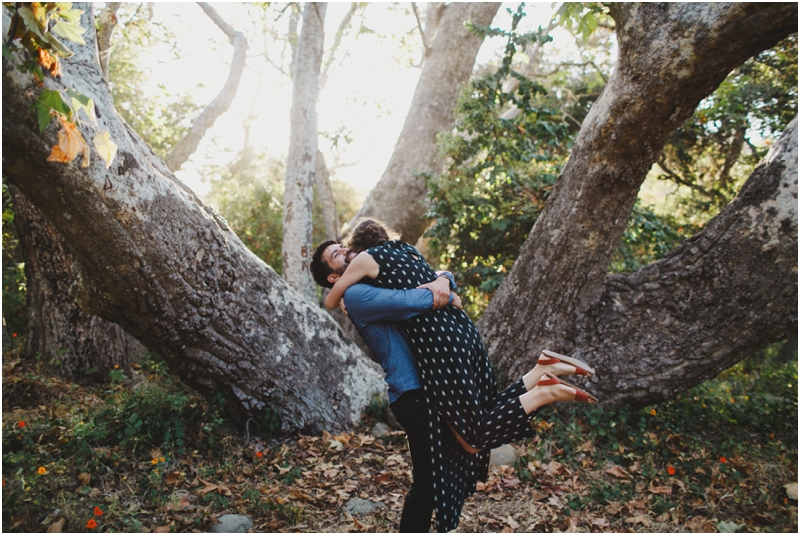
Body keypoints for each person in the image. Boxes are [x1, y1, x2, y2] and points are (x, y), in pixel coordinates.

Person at [311, 218, 597, 532]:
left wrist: (444, 279)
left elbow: (418, 284)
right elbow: (413, 300)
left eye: (345, 246)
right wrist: (441, 287)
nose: (348, 251)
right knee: (431, 479)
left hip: (428, 384)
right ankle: (540, 382)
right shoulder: (355, 297)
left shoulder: (370, 281)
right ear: (334, 276)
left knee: (462, 447)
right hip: (413, 394)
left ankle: (539, 376)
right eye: (339, 254)